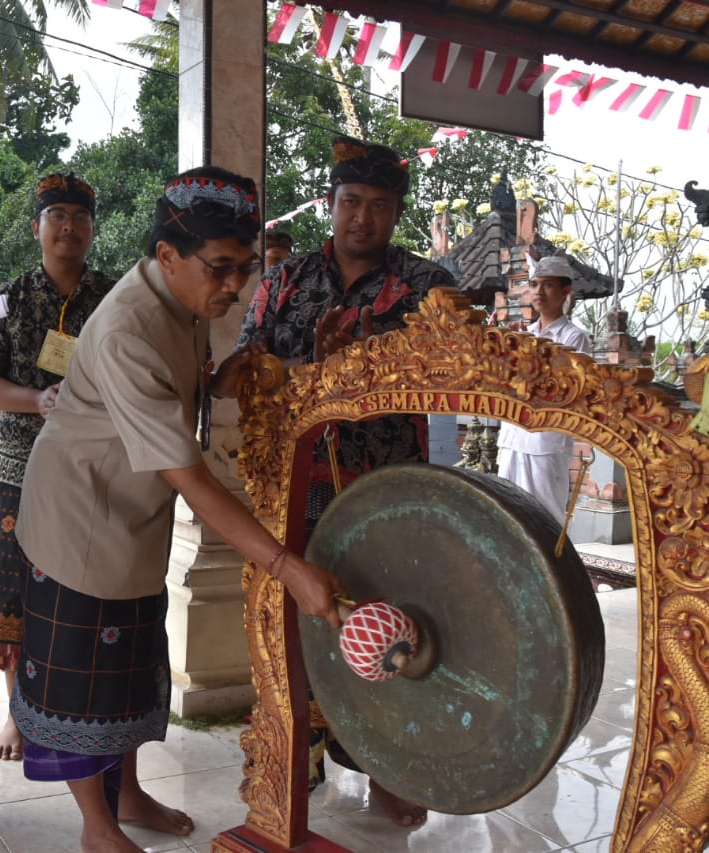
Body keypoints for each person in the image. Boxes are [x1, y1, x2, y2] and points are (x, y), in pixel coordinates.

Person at [13, 165, 347, 853]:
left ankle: (129, 793)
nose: (235, 286)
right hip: (80, 516)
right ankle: (98, 828)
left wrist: (222, 379)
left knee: (131, 671)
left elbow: (175, 392)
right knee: (85, 684)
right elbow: (195, 481)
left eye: (245, 268)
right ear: (167, 254)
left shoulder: (183, 299)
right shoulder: (127, 329)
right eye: (221, 269)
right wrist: (289, 568)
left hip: (133, 510)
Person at [235, 135, 456, 826]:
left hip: (387, 484)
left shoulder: (428, 285)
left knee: (386, 614)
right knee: (297, 619)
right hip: (297, 481)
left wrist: (367, 368)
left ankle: (384, 764)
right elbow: (245, 373)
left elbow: (451, 377)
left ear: (397, 213)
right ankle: (291, 758)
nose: (362, 217)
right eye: (351, 201)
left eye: (379, 205)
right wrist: (312, 370)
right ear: (330, 203)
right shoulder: (285, 281)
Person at [0, 173, 115, 762]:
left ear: (92, 229)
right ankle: (17, 713)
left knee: (85, 589)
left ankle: (82, 704)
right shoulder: (7, 300)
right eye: (57, 216)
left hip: (93, 465)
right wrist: (36, 399)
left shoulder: (113, 298)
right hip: (20, 466)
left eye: (80, 218)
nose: (69, 227)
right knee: (15, 594)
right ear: (37, 228)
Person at [497, 253, 593, 519]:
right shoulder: (524, 335)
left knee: (546, 516)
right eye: (535, 284)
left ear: (565, 291)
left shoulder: (573, 338)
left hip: (546, 441)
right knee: (506, 514)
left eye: (548, 285)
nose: (539, 291)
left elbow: (566, 390)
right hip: (512, 436)